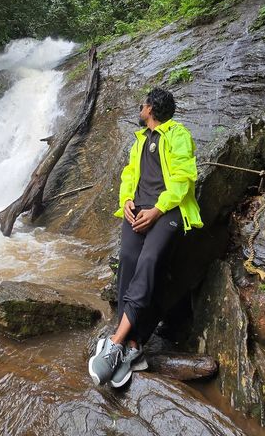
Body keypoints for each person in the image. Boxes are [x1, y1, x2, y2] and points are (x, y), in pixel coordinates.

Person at [88, 88, 203, 388]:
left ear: (150, 108)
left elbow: (183, 178)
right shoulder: (139, 140)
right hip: (137, 210)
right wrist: (126, 200)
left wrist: (157, 209)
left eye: (142, 105)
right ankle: (134, 347)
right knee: (128, 259)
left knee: (149, 261)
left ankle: (116, 342)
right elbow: (129, 174)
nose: (140, 108)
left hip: (167, 211)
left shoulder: (178, 135)